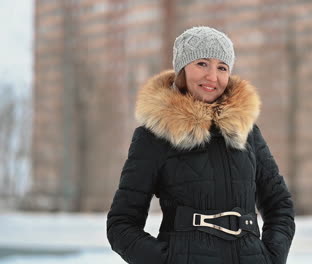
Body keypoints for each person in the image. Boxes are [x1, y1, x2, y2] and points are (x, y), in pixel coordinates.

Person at [107, 26, 295, 264]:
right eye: (202, 64)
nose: (212, 77)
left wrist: (271, 258)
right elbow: (121, 224)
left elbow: (280, 206)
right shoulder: (154, 135)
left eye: (222, 68)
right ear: (182, 69)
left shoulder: (247, 133)